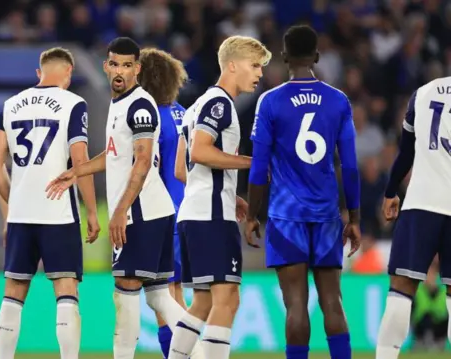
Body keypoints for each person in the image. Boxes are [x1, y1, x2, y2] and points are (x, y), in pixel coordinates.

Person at [47, 37, 193, 359]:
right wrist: (78, 170)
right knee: (159, 298)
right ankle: (206, 351)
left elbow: (142, 161)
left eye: (127, 65)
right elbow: (116, 154)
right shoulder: (120, 103)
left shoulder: (141, 105)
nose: (120, 71)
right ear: (106, 66)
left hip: (142, 214)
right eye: (115, 63)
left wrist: (120, 211)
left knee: (125, 297)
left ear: (137, 69)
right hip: (152, 211)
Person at [245, 25, 361, 359]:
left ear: (283, 57)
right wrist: (353, 217)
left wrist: (252, 215)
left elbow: (258, 168)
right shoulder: (338, 101)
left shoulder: (270, 102)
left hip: (285, 217)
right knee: (332, 302)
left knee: (296, 304)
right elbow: (350, 166)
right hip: (326, 216)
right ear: (317, 56)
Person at [0, 47, 100, 359]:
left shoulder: (10, 105)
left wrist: (16, 199)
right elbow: (81, 160)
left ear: (39, 73)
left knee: (13, 292)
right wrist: (91, 210)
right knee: (65, 289)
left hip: (22, 213)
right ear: (68, 74)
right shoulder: (74, 104)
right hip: (59, 210)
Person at [167, 35, 267, 359]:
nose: (259, 73)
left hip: (194, 212)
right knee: (227, 300)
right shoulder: (220, 103)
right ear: (233, 65)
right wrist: (252, 163)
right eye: (254, 66)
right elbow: (199, 151)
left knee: (204, 302)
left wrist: (228, 187)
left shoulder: (196, 104)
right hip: (210, 216)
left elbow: (182, 169)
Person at [375, 63, 451, 358]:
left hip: (421, 203)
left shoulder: (423, 93)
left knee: (401, 289)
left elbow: (406, 151)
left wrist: (391, 191)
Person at [136, 47, 190, 359]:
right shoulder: (184, 112)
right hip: (188, 214)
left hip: (162, 216)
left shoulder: (149, 118)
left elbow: (145, 167)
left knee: (159, 298)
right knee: (176, 292)